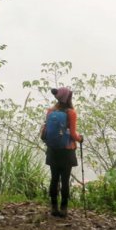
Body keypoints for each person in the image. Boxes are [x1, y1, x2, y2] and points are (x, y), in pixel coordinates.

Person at [40, 86, 83, 218]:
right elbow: (74, 135)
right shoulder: (71, 113)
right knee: (65, 180)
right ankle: (64, 208)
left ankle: (53, 207)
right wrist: (80, 139)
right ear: (68, 98)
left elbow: (46, 130)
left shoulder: (50, 111)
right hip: (67, 151)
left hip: (53, 150)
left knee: (54, 178)